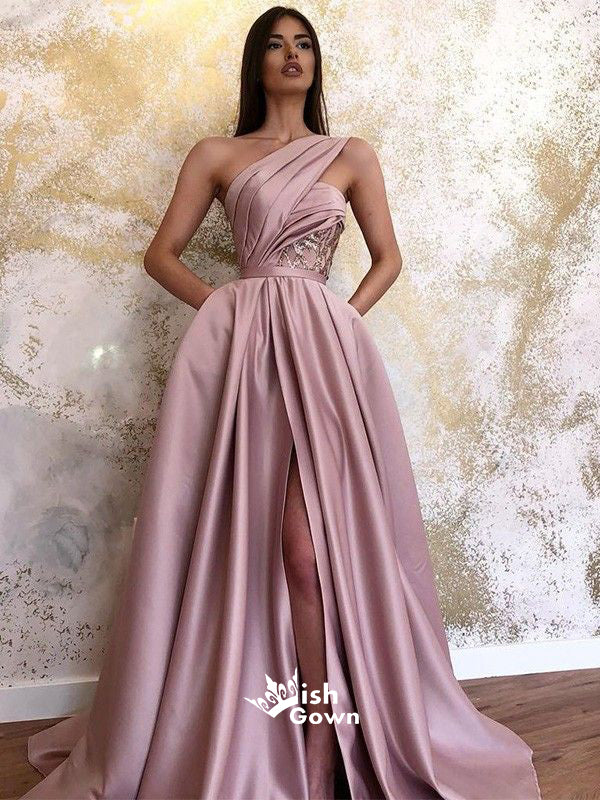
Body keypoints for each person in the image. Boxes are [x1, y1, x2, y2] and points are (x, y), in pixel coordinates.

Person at [21, 6, 542, 800]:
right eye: (275, 44)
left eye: (303, 44)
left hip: (322, 359)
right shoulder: (218, 154)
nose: (291, 55)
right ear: (256, 63)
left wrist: (339, 323)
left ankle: (322, 737)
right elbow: (162, 255)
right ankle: (257, 723)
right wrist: (229, 312)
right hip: (245, 363)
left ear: (316, 62)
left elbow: (389, 258)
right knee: (246, 539)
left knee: (306, 549)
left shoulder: (351, 154)